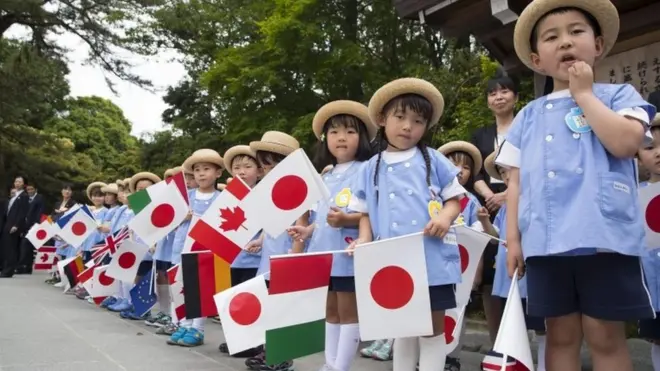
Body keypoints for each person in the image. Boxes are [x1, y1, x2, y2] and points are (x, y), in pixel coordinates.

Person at [498, 1, 656, 370]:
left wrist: (584, 94)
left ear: (598, 45)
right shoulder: (526, 116)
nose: (565, 42)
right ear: (537, 60)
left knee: (605, 335)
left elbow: (625, 143)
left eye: (576, 32)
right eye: (552, 37)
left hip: (604, 238)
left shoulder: (619, 96)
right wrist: (514, 241)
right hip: (545, 243)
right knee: (559, 335)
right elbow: (515, 183)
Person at [348, 78, 466, 371]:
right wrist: (364, 238)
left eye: (417, 120)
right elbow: (364, 212)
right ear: (382, 119)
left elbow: (456, 200)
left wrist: (444, 217)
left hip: (433, 260)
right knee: (401, 328)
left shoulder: (435, 159)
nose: (407, 126)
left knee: (431, 329)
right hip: (391, 262)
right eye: (400, 117)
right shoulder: (368, 168)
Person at [288, 100, 376, 371]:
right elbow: (324, 217)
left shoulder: (367, 169)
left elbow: (369, 214)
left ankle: (341, 367)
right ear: (325, 138)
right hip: (323, 254)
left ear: (361, 138)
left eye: (350, 132)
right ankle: (329, 364)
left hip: (349, 254)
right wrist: (307, 230)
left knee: (349, 313)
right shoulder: (325, 175)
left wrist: (345, 220)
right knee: (330, 312)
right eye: (335, 132)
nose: (342, 138)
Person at [483, 150, 546, 371]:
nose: (507, 175)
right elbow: (496, 235)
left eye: (509, 169)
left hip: (529, 276)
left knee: (541, 325)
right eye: (502, 171)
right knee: (513, 323)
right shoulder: (504, 206)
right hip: (508, 277)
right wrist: (484, 221)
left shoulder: (534, 198)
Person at [244, 131, 300, 371]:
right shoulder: (268, 189)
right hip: (269, 256)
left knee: (284, 308)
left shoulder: (299, 187)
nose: (270, 170)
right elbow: (271, 221)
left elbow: (302, 221)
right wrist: (262, 239)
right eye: (266, 165)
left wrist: (296, 254)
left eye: (276, 164)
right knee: (268, 305)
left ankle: (283, 356)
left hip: (287, 255)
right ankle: (268, 350)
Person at [469, 73, 519, 342]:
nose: (498, 97)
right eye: (493, 93)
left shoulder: (526, 127)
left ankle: (522, 343)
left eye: (504, 91)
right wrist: (491, 195)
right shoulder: (481, 135)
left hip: (522, 200)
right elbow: (474, 172)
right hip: (488, 206)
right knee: (490, 274)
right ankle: (496, 344)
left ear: (516, 97)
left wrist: (508, 195)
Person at [166, 149, 224, 347]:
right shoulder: (185, 197)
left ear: (218, 173)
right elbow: (168, 221)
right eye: (197, 170)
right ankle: (184, 323)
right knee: (182, 287)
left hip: (205, 251)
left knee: (201, 289)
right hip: (181, 248)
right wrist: (181, 217)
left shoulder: (221, 198)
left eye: (206, 169)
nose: (201, 174)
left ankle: (197, 329)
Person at [436, 140, 485, 371]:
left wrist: (476, 273)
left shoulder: (472, 201)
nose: (459, 171)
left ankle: (452, 356)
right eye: (452, 164)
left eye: (465, 167)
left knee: (458, 310)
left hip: (462, 268)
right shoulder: (433, 196)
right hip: (437, 265)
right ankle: (428, 356)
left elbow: (479, 234)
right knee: (434, 312)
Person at [218, 145, 263, 357]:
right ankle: (237, 339)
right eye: (237, 167)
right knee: (233, 299)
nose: (242, 171)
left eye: (247, 166)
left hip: (254, 259)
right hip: (230, 258)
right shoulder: (227, 196)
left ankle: (254, 343)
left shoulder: (264, 194)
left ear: (259, 170)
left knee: (251, 300)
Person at [639, 115, 660, 370]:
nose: (658, 153)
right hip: (653, 285)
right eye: (649, 147)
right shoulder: (635, 194)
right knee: (657, 339)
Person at [1, 175, 30, 277]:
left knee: (11, 248)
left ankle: (8, 271)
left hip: (14, 225)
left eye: (19, 182)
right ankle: (5, 268)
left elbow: (22, 212)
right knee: (6, 247)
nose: (17, 183)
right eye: (16, 181)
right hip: (7, 223)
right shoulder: (14, 195)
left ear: (24, 184)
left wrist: (17, 225)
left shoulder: (24, 196)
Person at [16, 181, 45, 274]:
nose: (29, 191)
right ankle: (27, 267)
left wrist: (36, 224)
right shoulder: (25, 198)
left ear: (35, 189)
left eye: (31, 189)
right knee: (27, 246)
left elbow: (40, 212)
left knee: (25, 244)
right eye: (28, 189)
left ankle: (21, 266)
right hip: (25, 225)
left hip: (34, 225)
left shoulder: (39, 198)